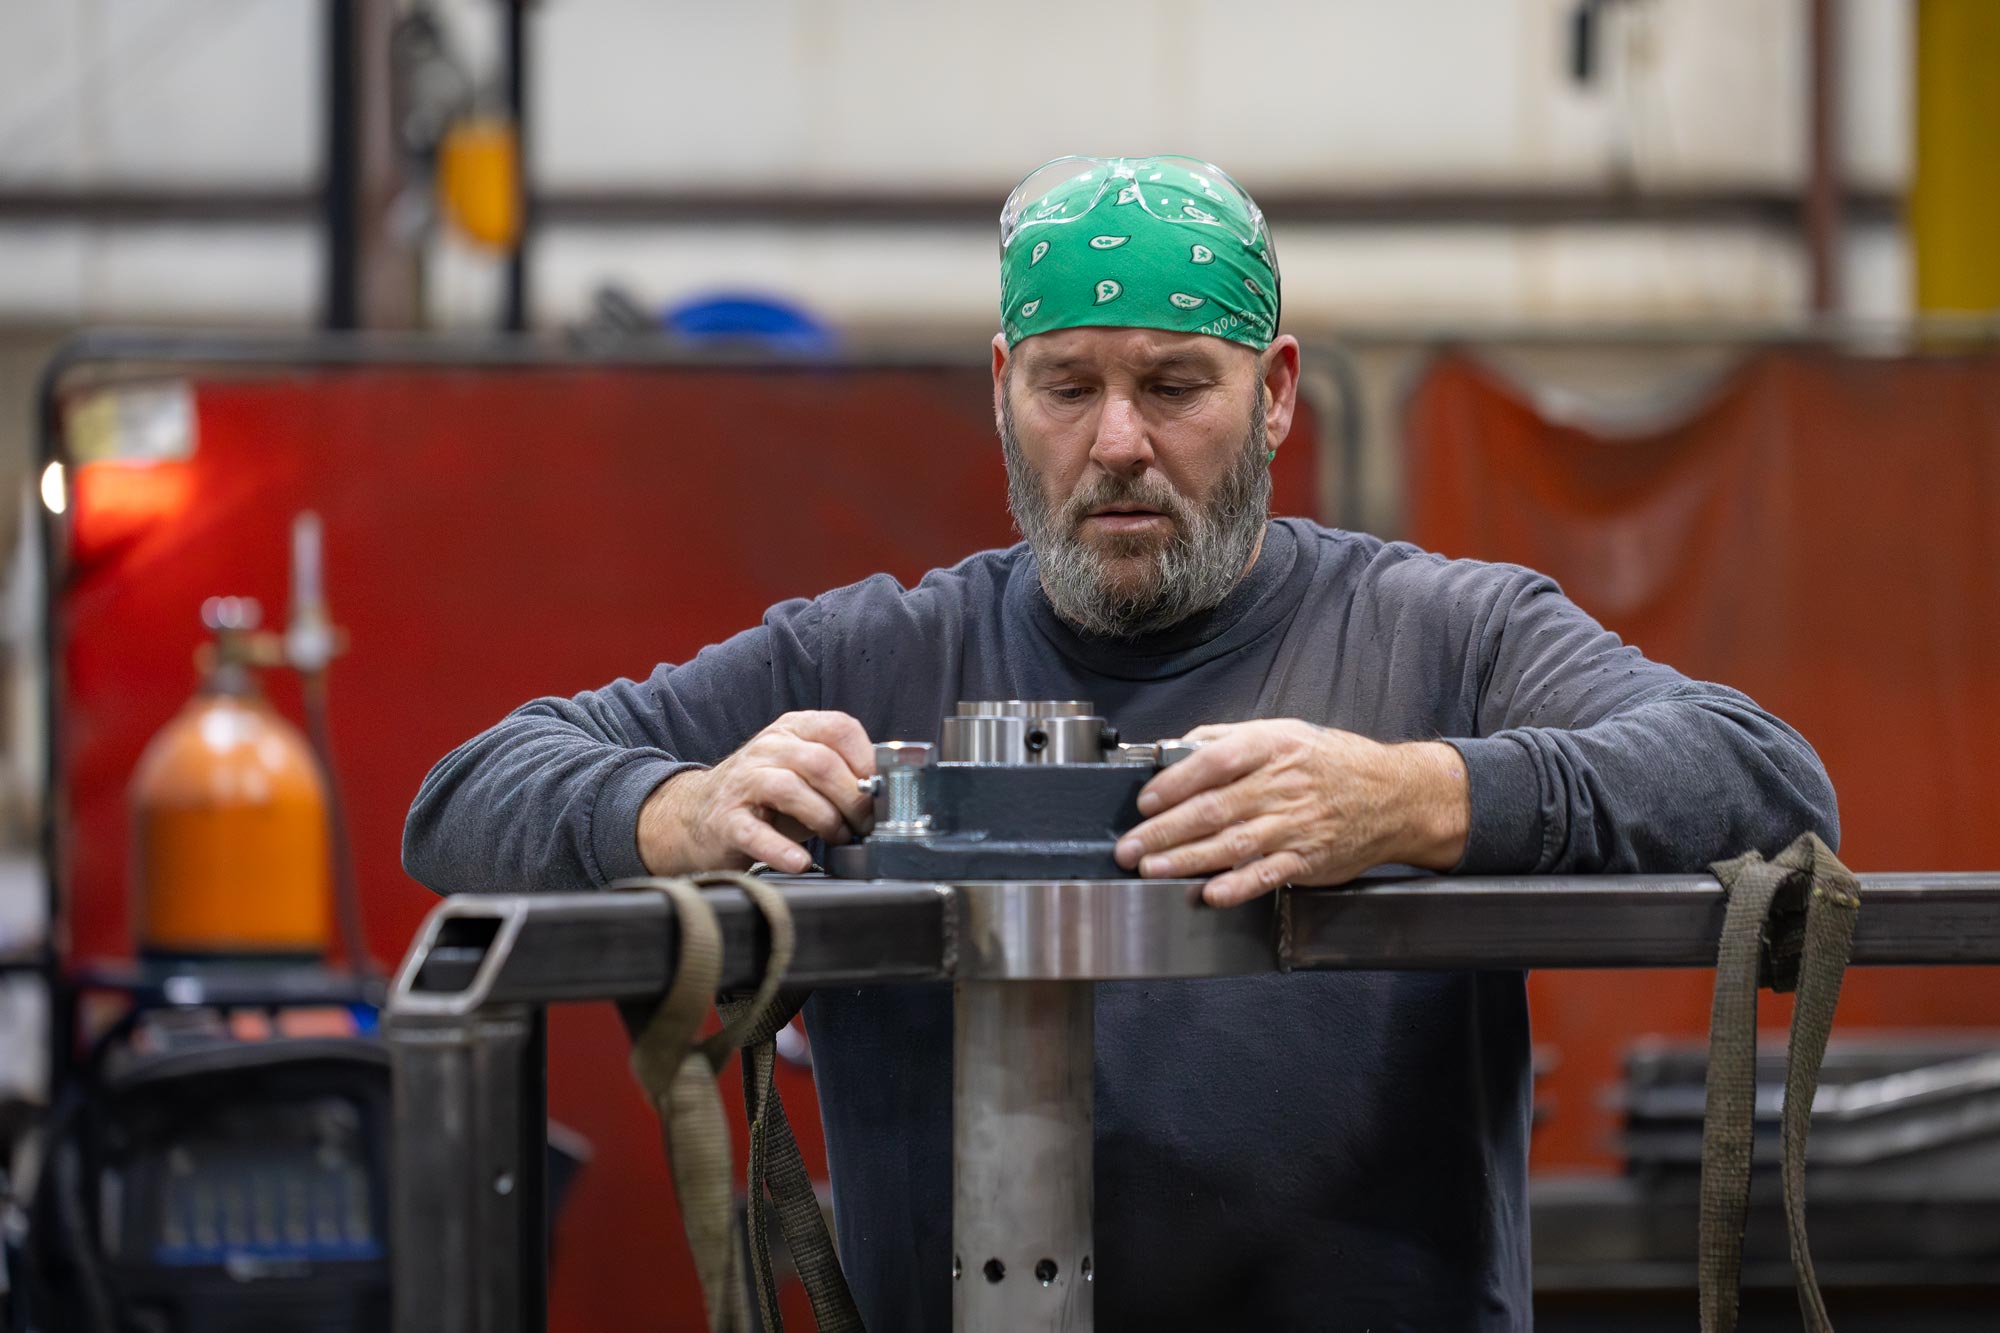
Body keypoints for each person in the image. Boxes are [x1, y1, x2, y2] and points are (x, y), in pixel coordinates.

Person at [403, 154, 1838, 1330]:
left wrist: (1419, 794)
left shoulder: (1442, 641)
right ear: (1003, 391)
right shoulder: (867, 652)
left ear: (1274, 394)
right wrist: (676, 811)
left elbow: (1766, 778)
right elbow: (463, 799)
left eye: (1174, 385)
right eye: (1069, 385)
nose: (1116, 443)